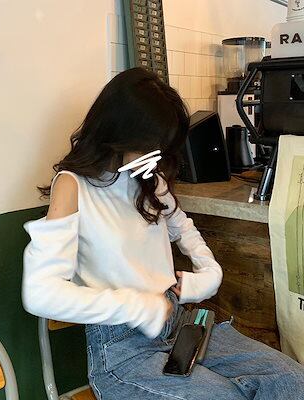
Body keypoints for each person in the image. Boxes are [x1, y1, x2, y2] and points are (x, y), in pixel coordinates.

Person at [21, 67, 304, 399]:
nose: (155, 155)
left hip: (180, 324)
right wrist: (136, 306)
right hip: (123, 349)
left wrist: (210, 271)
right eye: (149, 145)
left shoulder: (148, 179)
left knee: (291, 380)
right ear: (119, 132)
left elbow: (182, 226)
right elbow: (41, 294)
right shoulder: (72, 186)